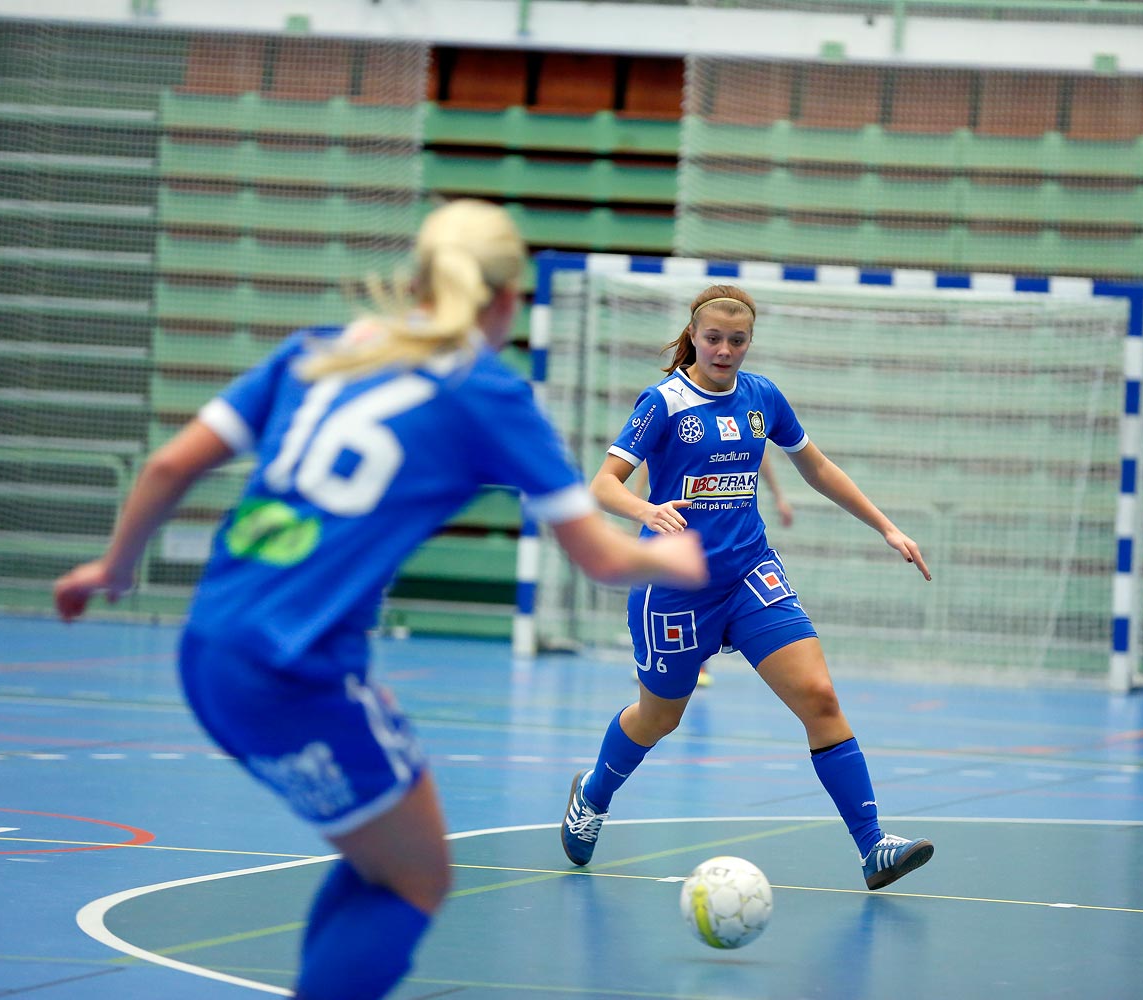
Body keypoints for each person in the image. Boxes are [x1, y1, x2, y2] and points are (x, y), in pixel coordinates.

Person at [52, 199, 706, 1000]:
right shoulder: (486, 393)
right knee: (414, 878)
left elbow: (165, 468)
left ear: (417, 280)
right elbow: (604, 558)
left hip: (206, 649)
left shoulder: (319, 351)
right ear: (509, 301)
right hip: (293, 671)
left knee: (385, 860)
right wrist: (683, 555)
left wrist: (112, 568)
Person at [561, 283, 935, 891]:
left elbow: (816, 466)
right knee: (659, 719)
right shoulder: (662, 402)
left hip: (749, 574)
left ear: (749, 341)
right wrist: (644, 510)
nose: (725, 350)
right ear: (694, 336)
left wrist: (887, 526)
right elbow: (603, 484)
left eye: (738, 340)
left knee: (818, 697)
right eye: (714, 338)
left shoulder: (763, 397)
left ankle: (873, 847)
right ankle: (594, 792)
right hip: (675, 587)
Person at [633, 451, 793, 688]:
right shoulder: (672, 418)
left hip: (721, 529)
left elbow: (762, 455)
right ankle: (655, 657)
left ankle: (699, 662)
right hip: (678, 520)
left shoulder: (751, 423)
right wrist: (638, 501)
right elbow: (648, 458)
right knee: (667, 589)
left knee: (706, 584)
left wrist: (778, 496)